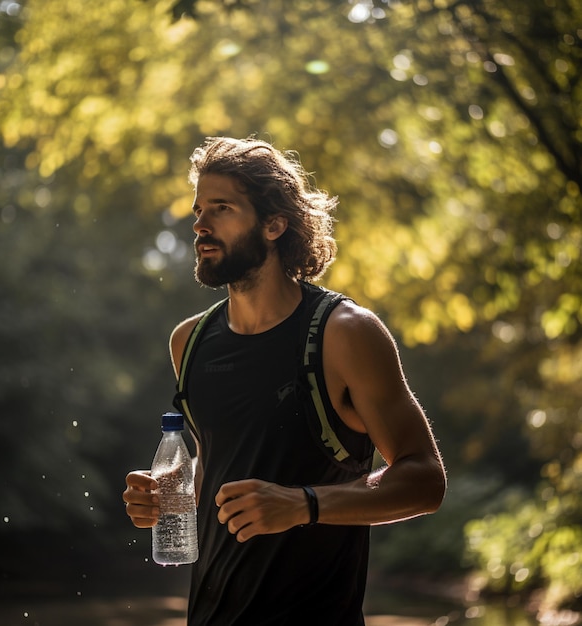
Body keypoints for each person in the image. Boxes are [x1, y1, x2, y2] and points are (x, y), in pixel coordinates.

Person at [123, 136, 447, 626]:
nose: (200, 225)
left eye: (222, 208)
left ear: (275, 224)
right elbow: (219, 467)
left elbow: (424, 480)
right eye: (198, 210)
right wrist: (167, 497)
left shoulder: (345, 333)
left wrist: (304, 505)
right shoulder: (188, 342)